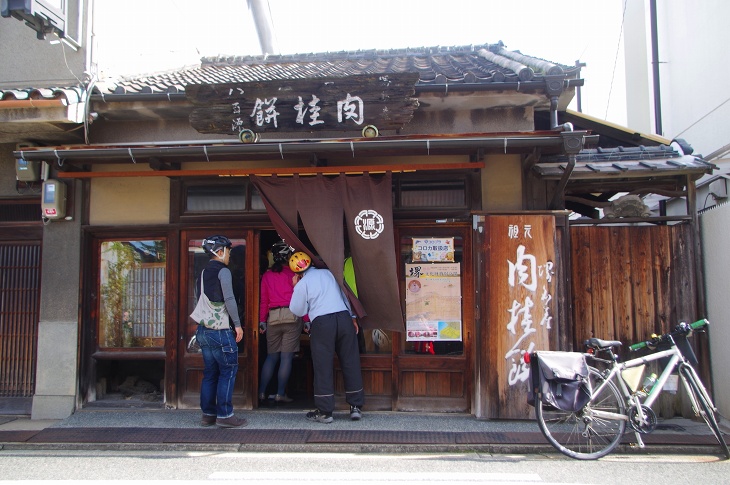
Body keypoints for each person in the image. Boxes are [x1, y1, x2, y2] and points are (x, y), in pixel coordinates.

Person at [288, 251, 364, 423]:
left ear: (297, 272)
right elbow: (345, 296)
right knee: (350, 360)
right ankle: (355, 407)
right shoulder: (330, 273)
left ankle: (325, 411)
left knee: (323, 365)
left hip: (322, 322)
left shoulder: (303, 283)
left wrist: (295, 287)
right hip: (344, 318)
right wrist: (352, 317)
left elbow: (298, 310)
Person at [195, 235, 247, 428]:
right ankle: (225, 415)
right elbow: (230, 299)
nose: (229, 256)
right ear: (219, 252)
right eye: (228, 251)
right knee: (228, 371)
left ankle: (208, 414)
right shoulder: (223, 272)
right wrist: (238, 324)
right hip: (221, 329)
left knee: (210, 372)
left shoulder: (202, 273)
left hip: (203, 329)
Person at [258, 240, 303, 404]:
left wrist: (262, 321)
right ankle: (280, 393)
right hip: (292, 317)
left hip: (273, 318)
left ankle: (261, 392)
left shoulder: (267, 276)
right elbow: (301, 299)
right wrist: (306, 320)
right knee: (286, 358)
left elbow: (264, 301)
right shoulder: (294, 275)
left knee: (271, 357)